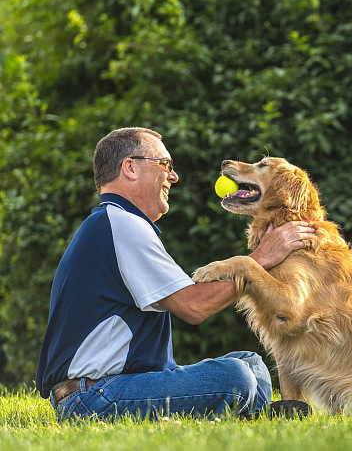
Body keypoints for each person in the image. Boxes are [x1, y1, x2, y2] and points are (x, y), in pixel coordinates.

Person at [35, 127, 315, 421]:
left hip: (113, 387)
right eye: (165, 165)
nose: (173, 176)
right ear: (130, 168)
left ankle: (248, 415)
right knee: (237, 378)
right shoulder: (121, 223)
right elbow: (194, 306)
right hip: (93, 398)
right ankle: (247, 411)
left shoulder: (115, 223)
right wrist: (261, 258)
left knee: (251, 363)